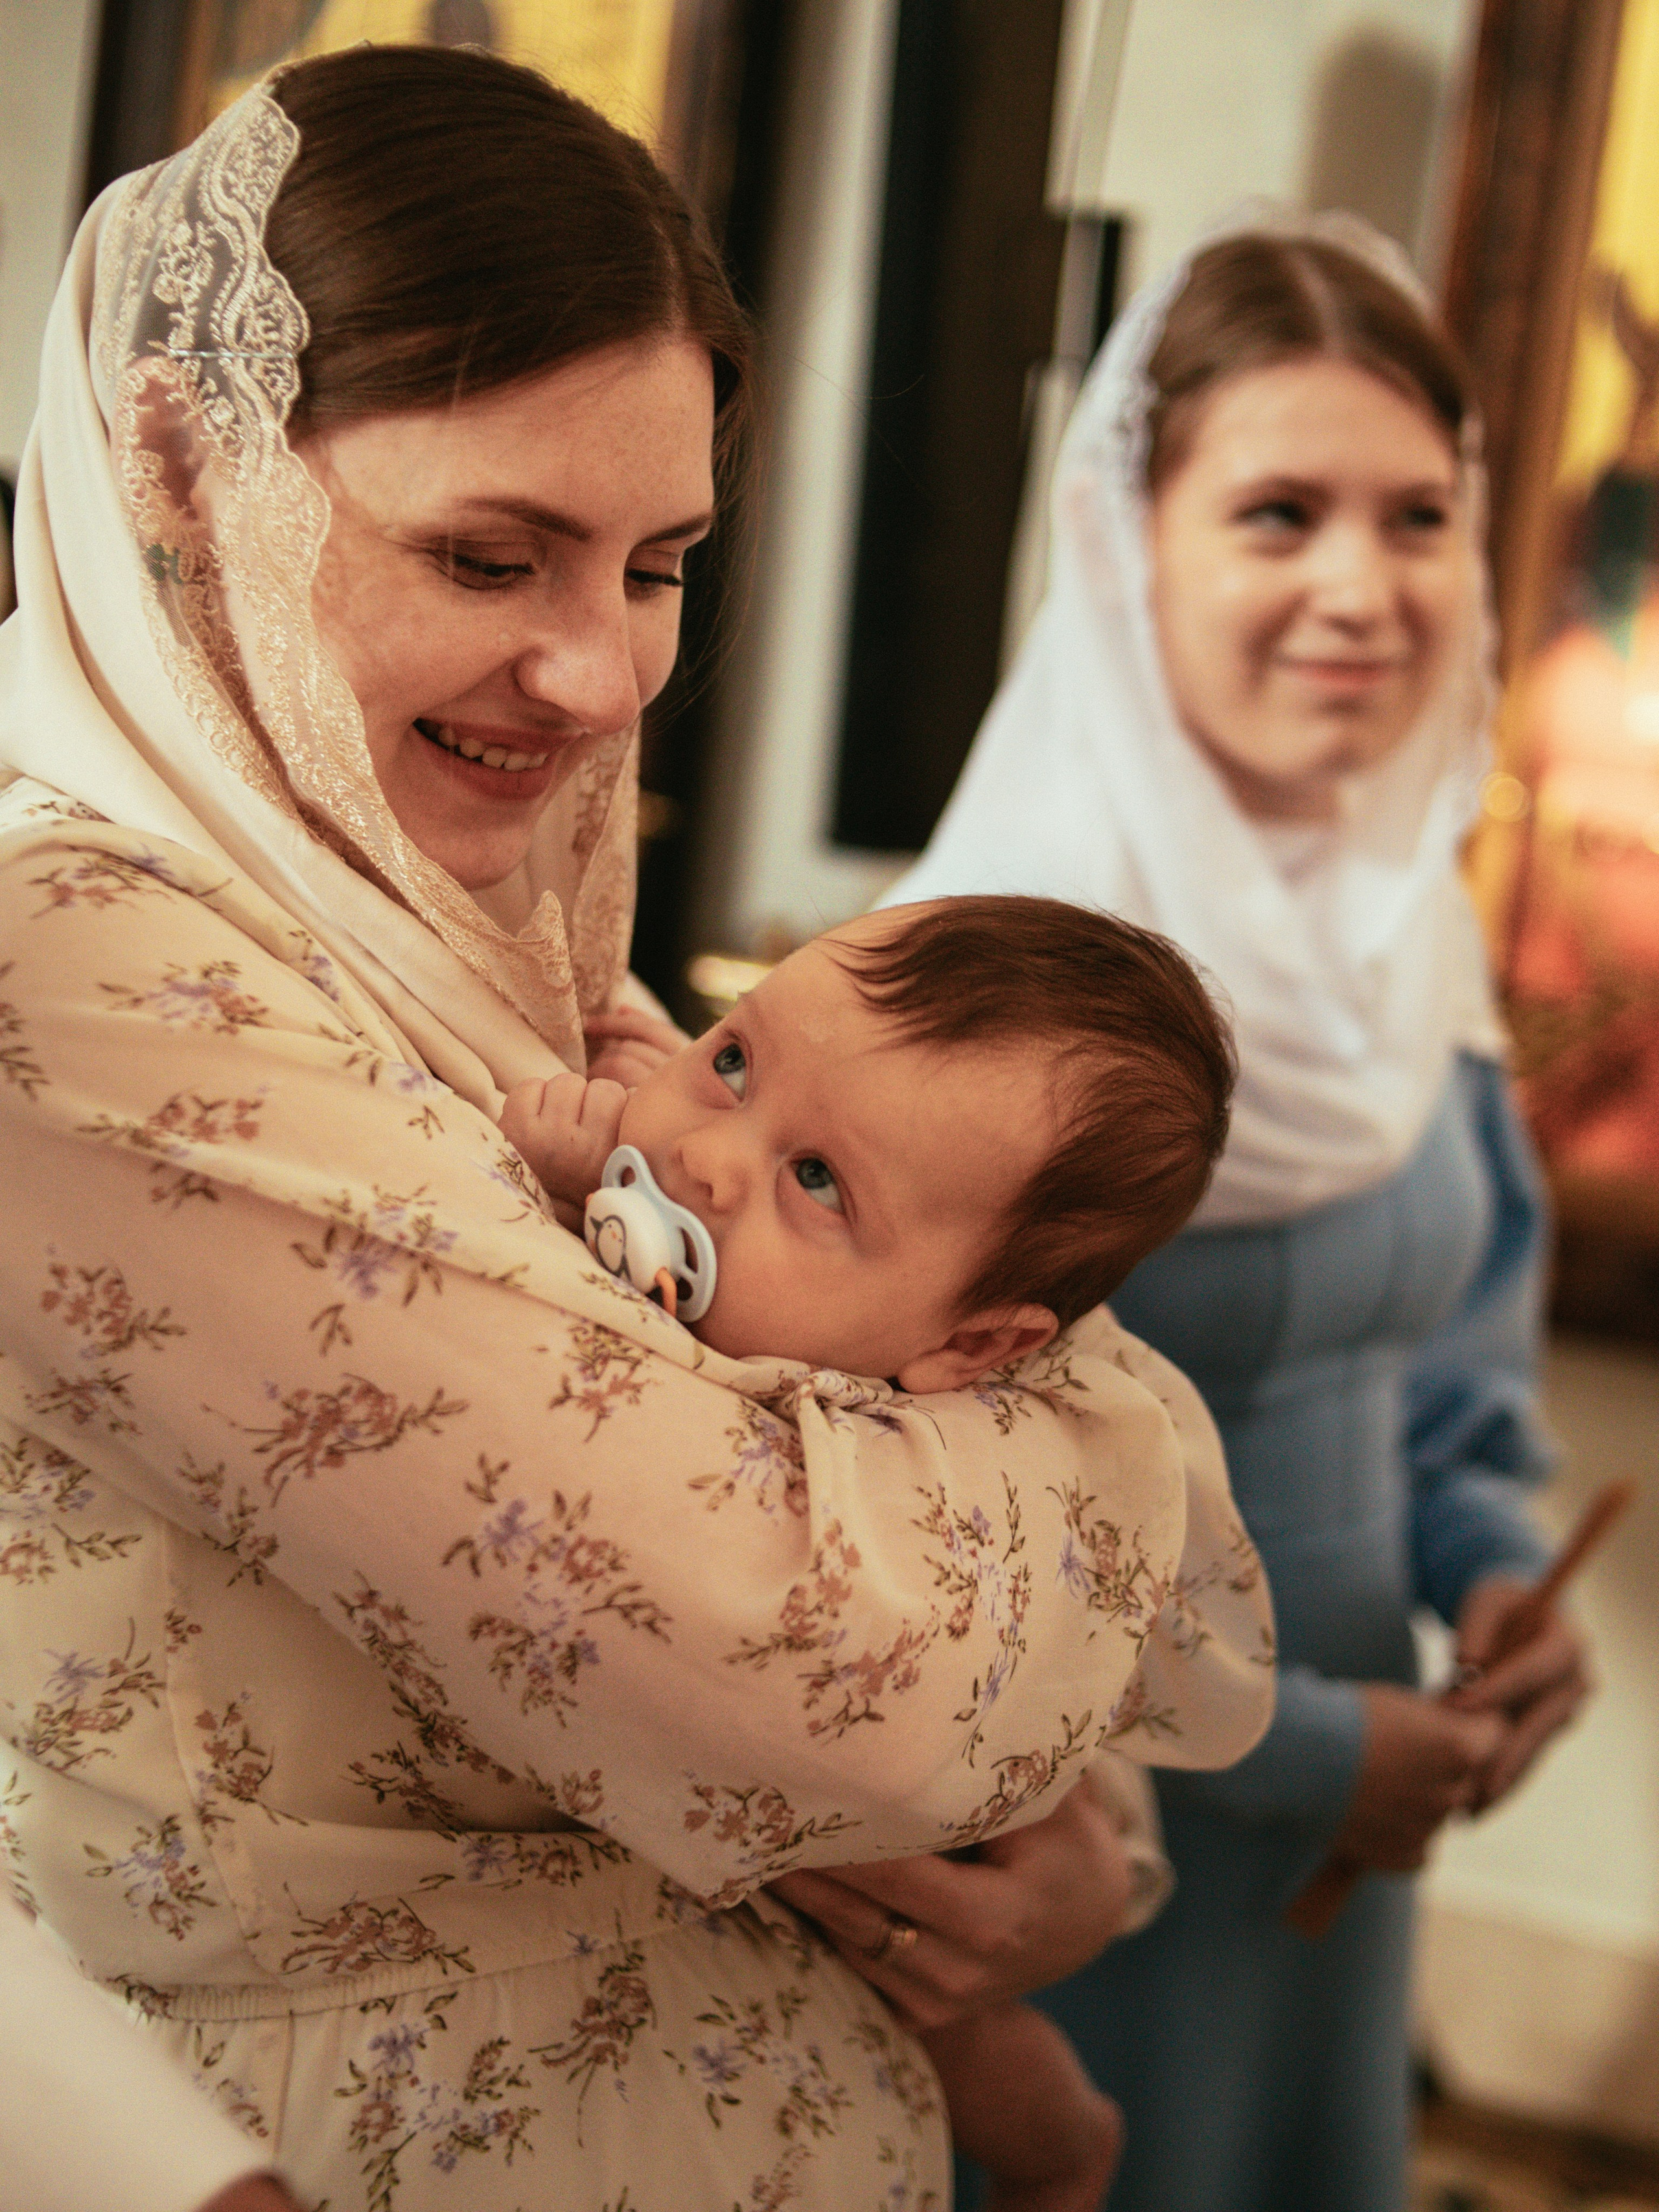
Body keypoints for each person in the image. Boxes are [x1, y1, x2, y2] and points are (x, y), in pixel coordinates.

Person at [0, 49, 1274, 2211]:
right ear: (178, 466)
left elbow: (889, 1314)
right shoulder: (73, 951)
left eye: (661, 564)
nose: (596, 677)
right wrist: (1106, 1447)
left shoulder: (463, 869)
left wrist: (1069, 1863)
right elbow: (800, 1647)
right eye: (492, 555)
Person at [888, 215, 1594, 2212]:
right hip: (1071, 1858)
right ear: (1131, 551)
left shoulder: (1408, 936)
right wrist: (1305, 1748)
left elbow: (1444, 1382)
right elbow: (908, 1541)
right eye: (1280, 513)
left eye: (1420, 516)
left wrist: (1504, 1577)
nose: (1362, 589)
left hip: (1346, 1842)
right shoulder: (985, 983)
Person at [505, 891, 1242, 2212]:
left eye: (817, 1183)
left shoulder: (880, 1440)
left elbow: (675, 1420)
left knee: (958, 2034)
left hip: (920, 1847)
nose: (706, 1161)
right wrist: (618, 1105)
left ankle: (1067, 2156)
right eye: (733, 1060)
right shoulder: (721, 1193)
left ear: (970, 1347)